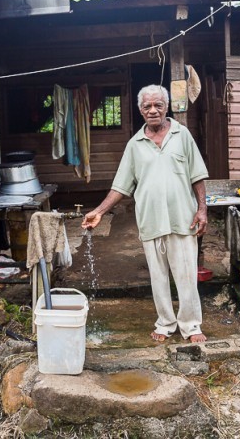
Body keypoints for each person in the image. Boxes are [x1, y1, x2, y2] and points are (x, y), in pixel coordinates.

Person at [82, 84, 209, 343]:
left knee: (186, 275)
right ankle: (165, 323)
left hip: (182, 218)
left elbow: (198, 175)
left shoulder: (182, 135)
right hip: (151, 220)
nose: (153, 110)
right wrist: (99, 211)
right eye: (147, 106)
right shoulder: (134, 145)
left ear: (166, 107)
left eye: (158, 105)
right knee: (158, 277)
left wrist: (202, 210)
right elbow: (121, 186)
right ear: (140, 110)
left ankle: (191, 326)